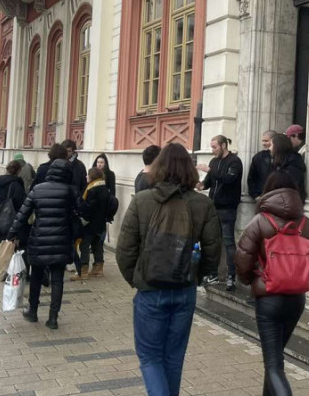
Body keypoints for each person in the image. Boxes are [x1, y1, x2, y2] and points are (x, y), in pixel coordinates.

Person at [116, 143, 223, 396]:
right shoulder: (202, 204)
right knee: (174, 359)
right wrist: (196, 277)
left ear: (159, 167)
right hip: (184, 288)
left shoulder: (143, 201)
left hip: (150, 289)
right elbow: (213, 249)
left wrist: (137, 278)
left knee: (150, 358)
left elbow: (125, 250)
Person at [236, 171, 309, 396]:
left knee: (273, 365)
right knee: (275, 359)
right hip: (296, 300)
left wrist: (252, 282)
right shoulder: (307, 224)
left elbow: (242, 260)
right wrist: (295, 278)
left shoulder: (260, 222)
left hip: (269, 299)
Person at [7, 159, 77, 329]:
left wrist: (12, 232)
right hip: (61, 240)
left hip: (39, 240)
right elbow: (80, 211)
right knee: (57, 279)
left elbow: (23, 213)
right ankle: (53, 318)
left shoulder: (37, 189)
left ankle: (33, 311)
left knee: (36, 277)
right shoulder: (70, 191)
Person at [197, 136, 243, 290]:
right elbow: (209, 182)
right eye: (211, 147)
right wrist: (200, 185)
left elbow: (228, 180)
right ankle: (212, 273)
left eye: (215, 147)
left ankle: (231, 276)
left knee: (229, 243)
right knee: (211, 242)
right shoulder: (214, 161)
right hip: (213, 207)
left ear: (224, 145)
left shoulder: (234, 162)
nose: (212, 150)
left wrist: (210, 170)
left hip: (228, 208)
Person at [72, 166, 117, 280]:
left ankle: (83, 271)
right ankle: (98, 269)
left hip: (90, 224)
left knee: (84, 245)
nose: (86, 176)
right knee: (97, 245)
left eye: (88, 174)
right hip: (100, 223)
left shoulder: (92, 190)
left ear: (93, 176)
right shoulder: (104, 189)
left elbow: (89, 208)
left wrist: (80, 204)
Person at [270, 134, 307, 202]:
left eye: (271, 145)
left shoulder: (293, 164)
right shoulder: (280, 163)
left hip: (289, 203)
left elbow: (290, 187)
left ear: (277, 147)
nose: (270, 148)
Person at [247, 130, 276, 200]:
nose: (263, 143)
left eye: (266, 141)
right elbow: (251, 178)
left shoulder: (283, 157)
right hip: (262, 197)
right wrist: (255, 196)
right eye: (263, 141)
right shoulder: (258, 157)